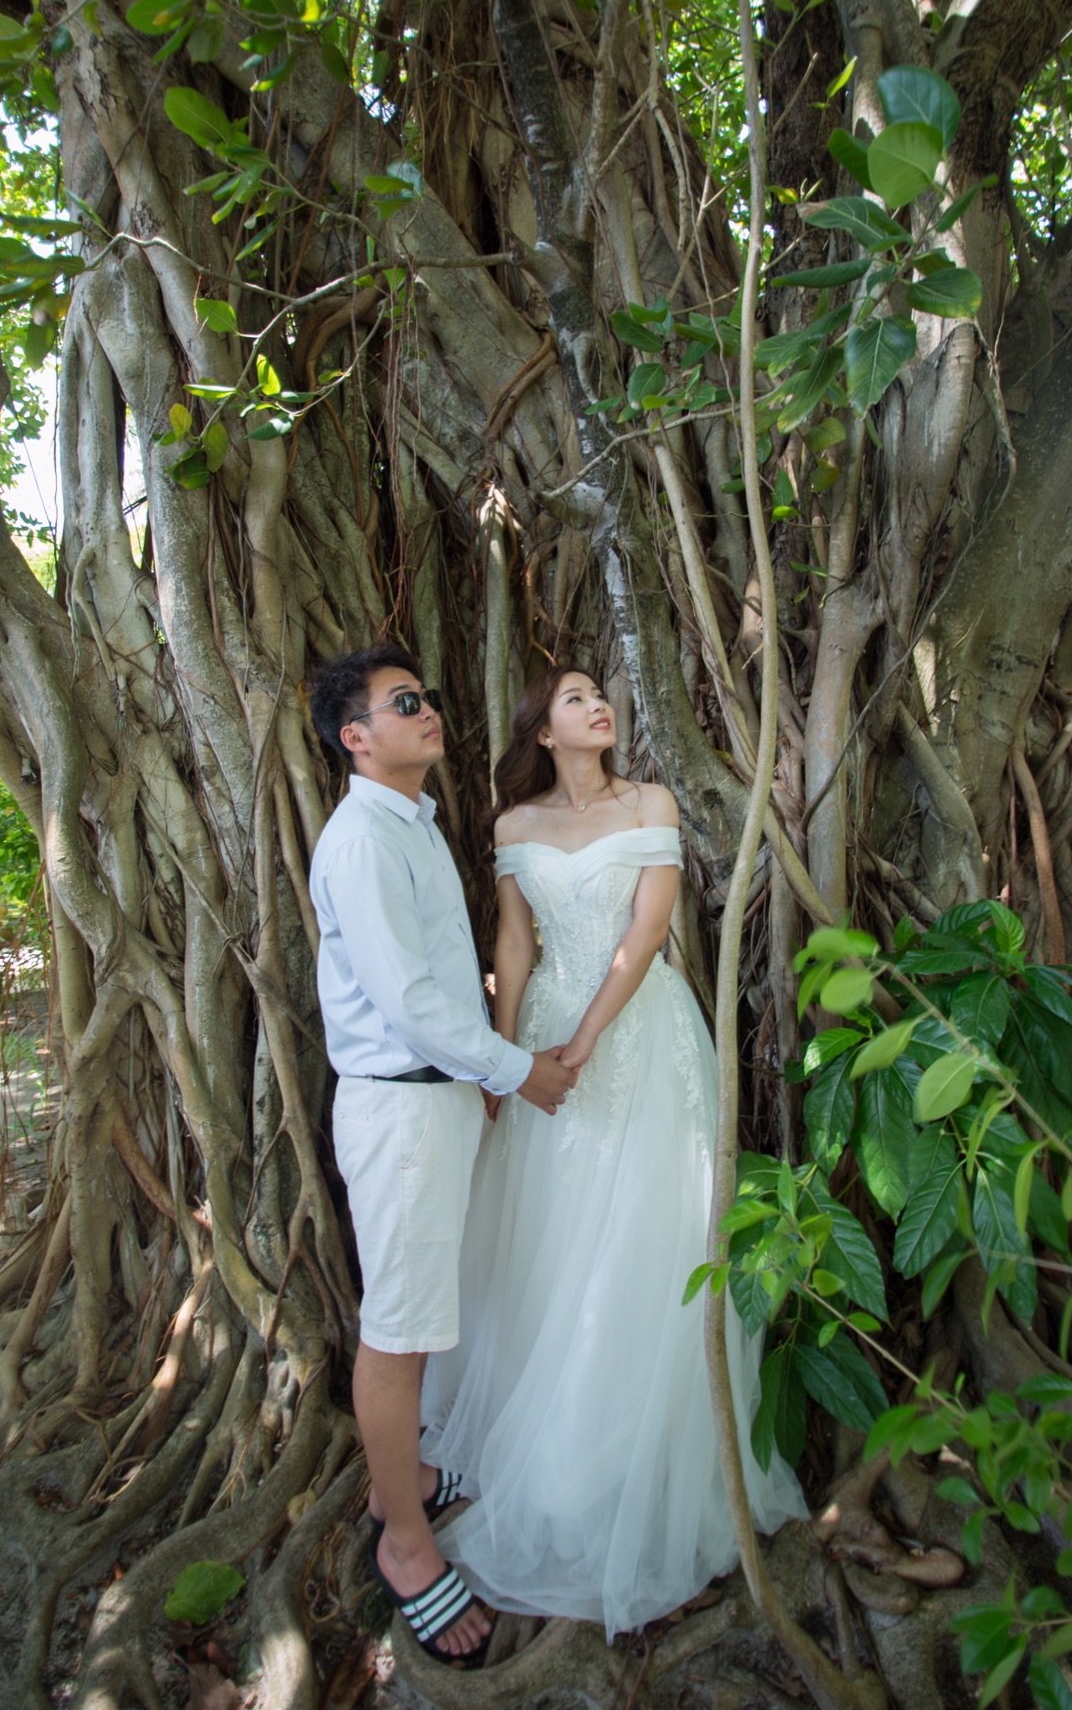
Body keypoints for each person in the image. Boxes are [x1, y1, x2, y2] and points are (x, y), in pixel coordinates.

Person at [421, 666, 807, 1636]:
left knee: (645, 1242)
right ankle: (554, 1469)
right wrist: (506, 1061)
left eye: (601, 695)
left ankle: (642, 1478)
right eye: (574, 698)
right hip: (544, 1042)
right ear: (543, 732)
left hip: (641, 1039)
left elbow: (646, 930)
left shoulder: (652, 802)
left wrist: (585, 1041)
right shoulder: (513, 827)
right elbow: (512, 944)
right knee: (552, 1251)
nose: (598, 707)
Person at [307, 644, 573, 1663]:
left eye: (427, 694)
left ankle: (399, 1480)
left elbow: (440, 987)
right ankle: (406, 1547)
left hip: (440, 1103)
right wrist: (513, 1070)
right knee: (400, 1328)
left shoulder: (407, 825)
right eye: (402, 703)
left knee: (423, 1314)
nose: (428, 712)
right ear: (356, 737)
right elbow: (411, 1005)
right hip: (402, 1116)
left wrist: (481, 1079)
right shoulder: (361, 843)